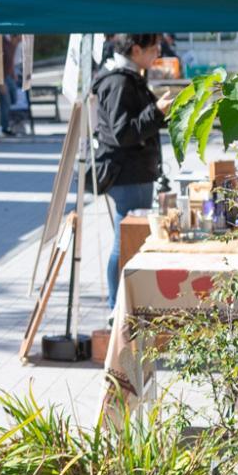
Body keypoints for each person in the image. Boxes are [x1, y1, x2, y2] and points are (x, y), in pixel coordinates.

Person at [91, 32, 175, 311]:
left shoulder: (126, 75)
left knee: (126, 239)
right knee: (126, 240)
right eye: (154, 49)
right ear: (136, 50)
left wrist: (158, 112)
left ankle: (119, 305)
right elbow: (123, 132)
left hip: (131, 171)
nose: (157, 55)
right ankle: (117, 307)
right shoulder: (118, 81)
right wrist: (157, 111)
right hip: (128, 173)